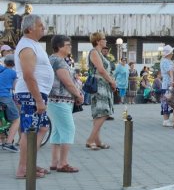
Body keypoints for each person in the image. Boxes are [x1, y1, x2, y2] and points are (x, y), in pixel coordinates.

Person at [14, 15, 54, 178]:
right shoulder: (26, 47)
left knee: (42, 127)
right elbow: (28, 75)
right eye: (40, 26)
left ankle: (30, 162)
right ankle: (23, 168)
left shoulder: (33, 45)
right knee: (29, 130)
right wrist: (38, 99)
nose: (43, 29)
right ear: (30, 29)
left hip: (38, 93)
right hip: (30, 94)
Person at [47, 35, 84, 173]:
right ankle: (63, 163)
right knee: (68, 129)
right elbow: (67, 82)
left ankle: (55, 161)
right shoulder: (59, 61)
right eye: (68, 45)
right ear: (59, 46)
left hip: (56, 99)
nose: (70, 47)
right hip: (61, 99)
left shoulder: (52, 59)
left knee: (58, 131)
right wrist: (78, 94)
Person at [85, 32, 117, 150]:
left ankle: (97, 141)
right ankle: (90, 139)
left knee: (99, 114)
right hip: (99, 85)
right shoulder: (94, 52)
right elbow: (101, 70)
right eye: (104, 39)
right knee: (104, 112)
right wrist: (112, 81)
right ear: (98, 41)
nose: (106, 41)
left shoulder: (99, 53)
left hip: (104, 85)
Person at [0, 54, 20, 152]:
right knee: (16, 119)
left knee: (2, 118)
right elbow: (15, 87)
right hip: (4, 97)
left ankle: (2, 141)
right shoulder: (13, 73)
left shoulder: (1, 69)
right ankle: (8, 143)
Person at [160, 45, 174, 127]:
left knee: (170, 101)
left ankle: (167, 119)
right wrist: (173, 81)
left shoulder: (168, 61)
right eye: (171, 52)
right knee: (166, 101)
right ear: (169, 53)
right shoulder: (165, 61)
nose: (173, 53)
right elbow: (170, 71)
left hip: (169, 84)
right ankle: (165, 120)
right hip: (167, 84)